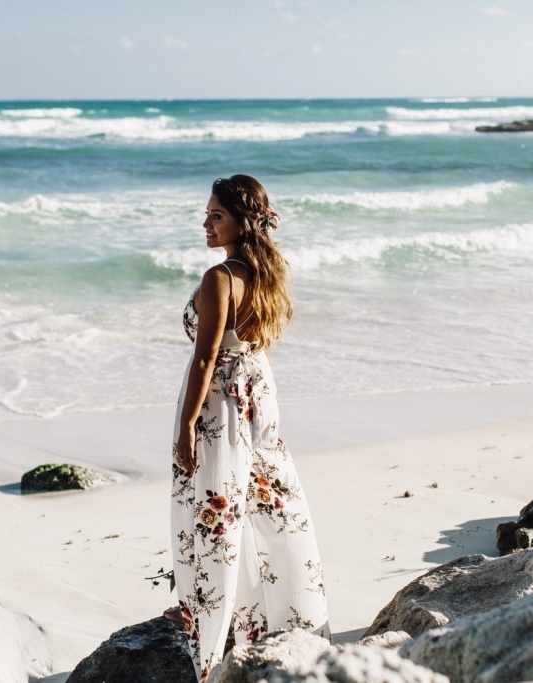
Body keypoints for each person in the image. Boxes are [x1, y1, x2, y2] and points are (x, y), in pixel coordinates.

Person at [165, 175, 330, 680]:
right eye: (208, 214)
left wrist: (189, 424)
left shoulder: (220, 278)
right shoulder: (266, 273)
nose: (206, 223)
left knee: (217, 508)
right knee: (269, 505)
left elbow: (205, 359)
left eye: (216, 215)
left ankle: (211, 638)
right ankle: (289, 623)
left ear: (241, 220)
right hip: (258, 394)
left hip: (221, 403)